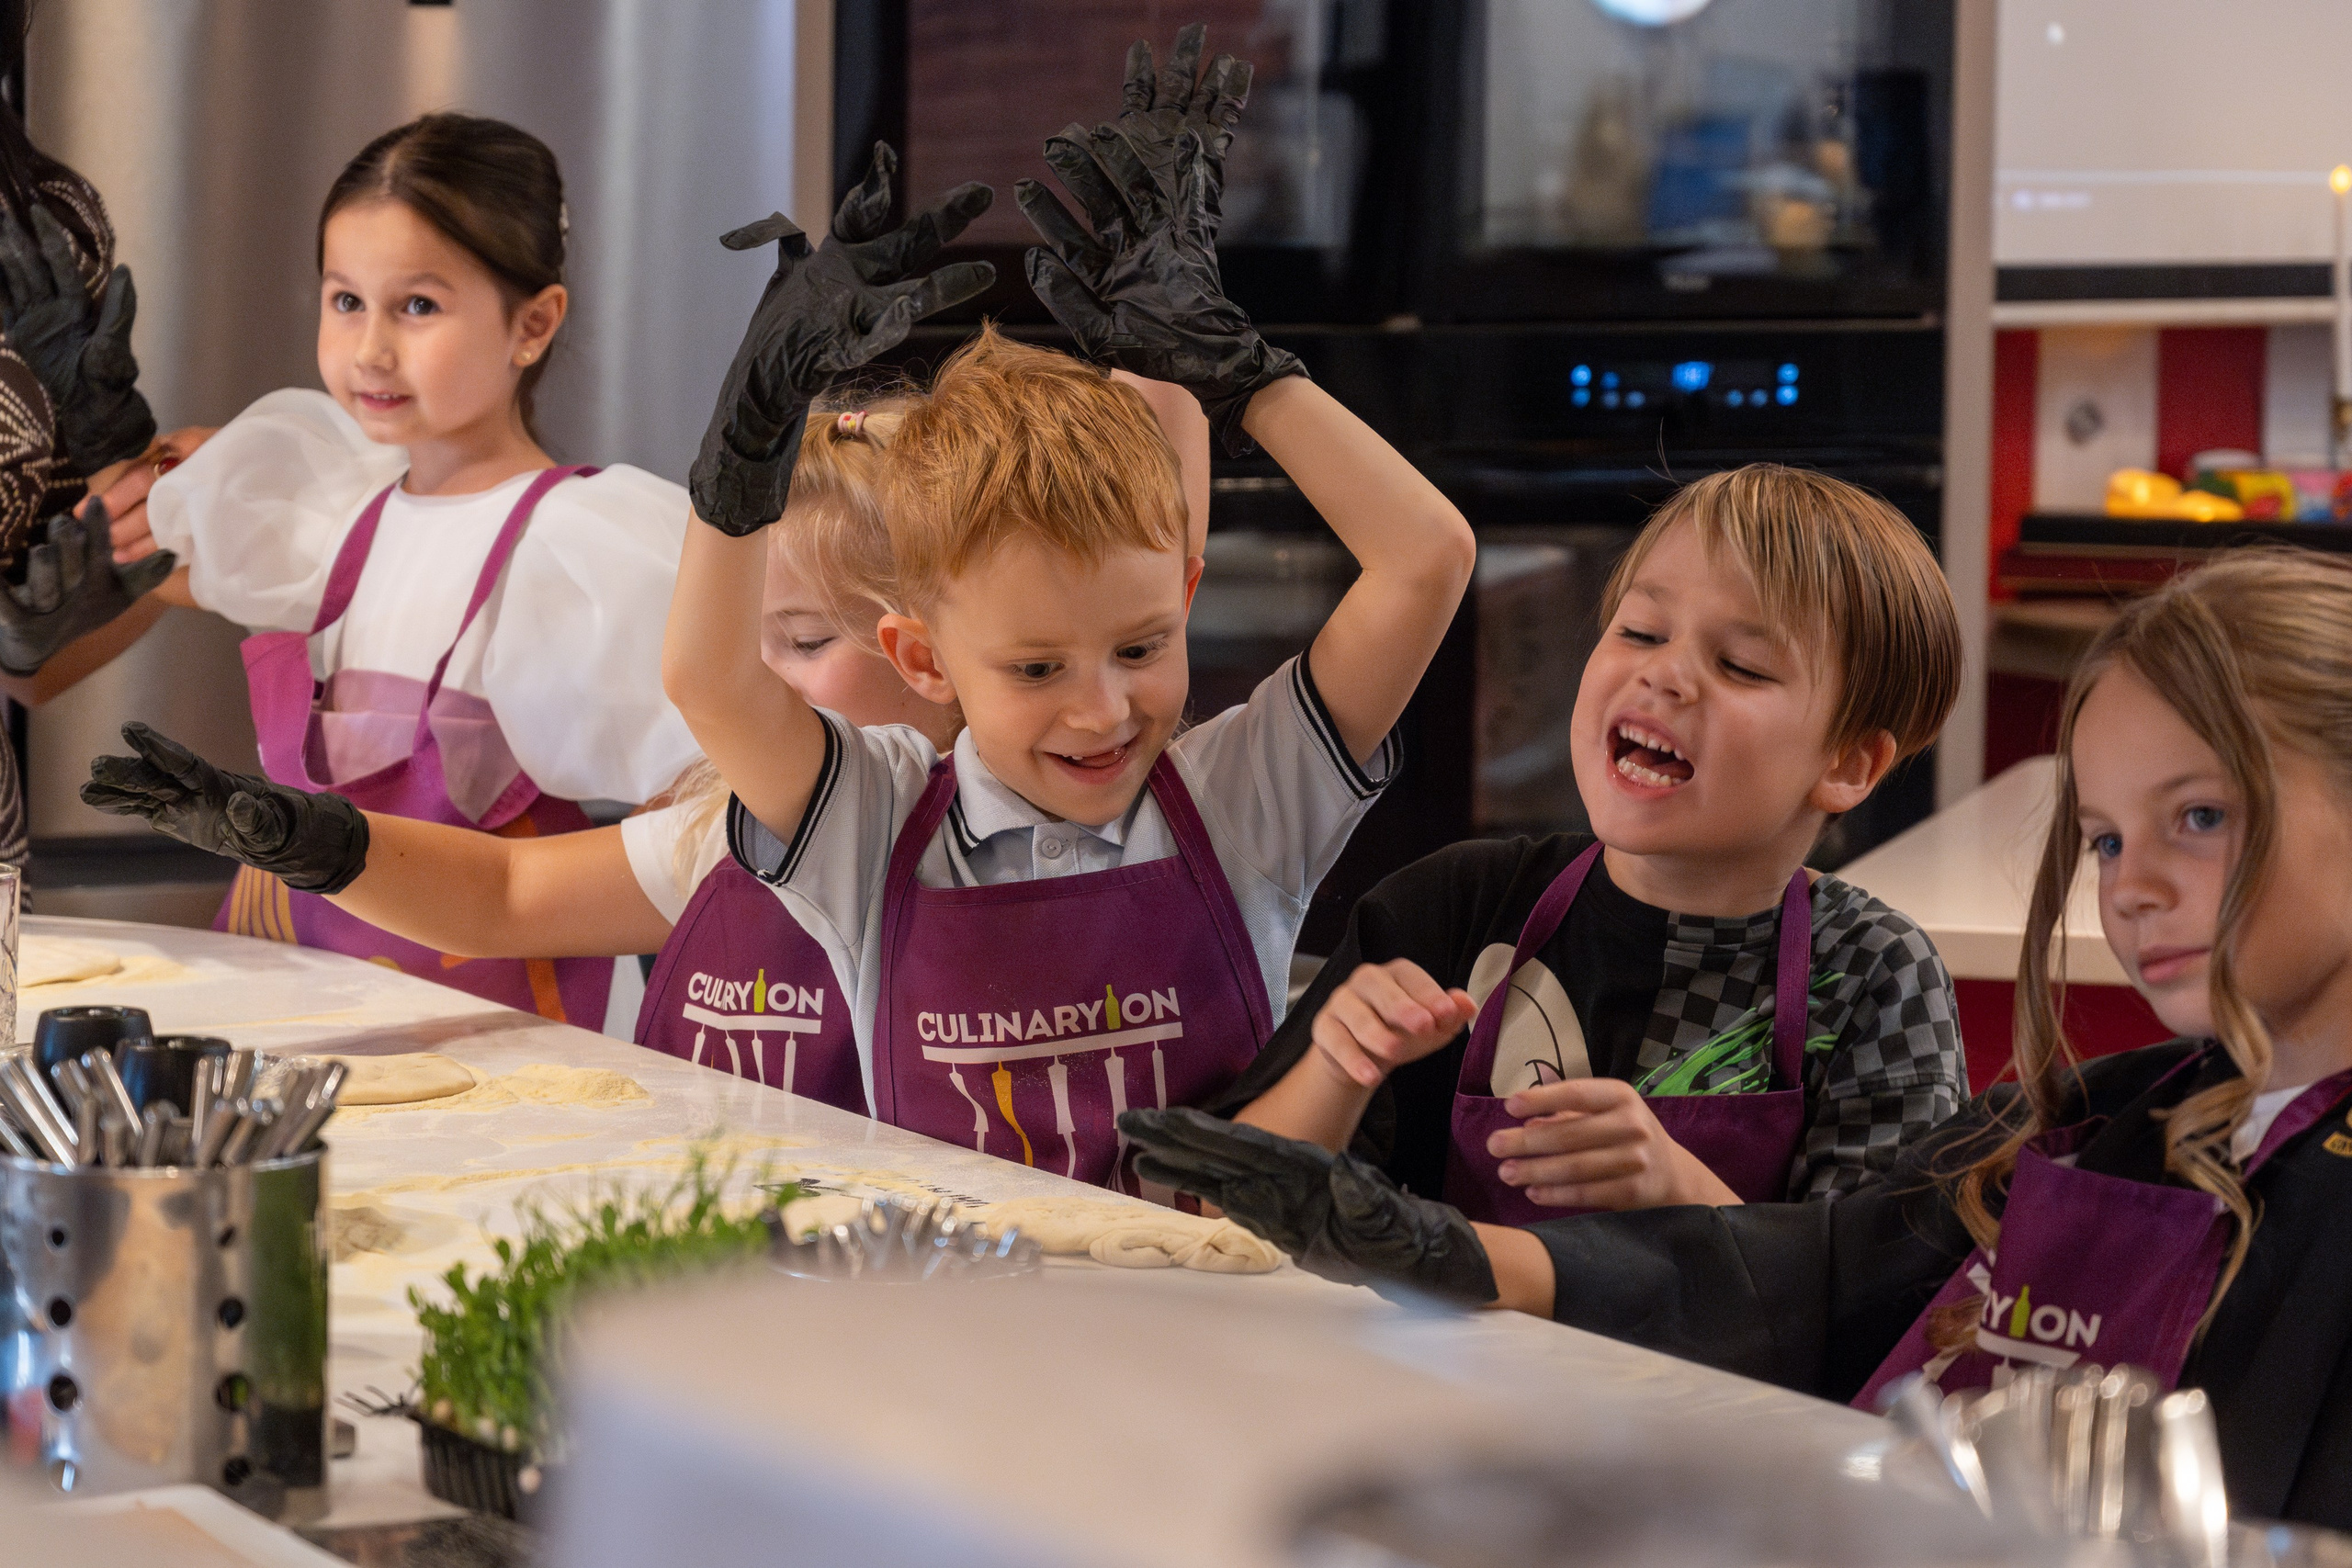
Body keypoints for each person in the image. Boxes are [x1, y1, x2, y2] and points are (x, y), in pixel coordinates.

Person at [1125, 547, 2352, 1531]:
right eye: (2106, 838)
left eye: (2197, 815)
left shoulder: (1877, 976)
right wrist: (1440, 1250)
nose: (2132, 885)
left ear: (1853, 761)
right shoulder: (2106, 1116)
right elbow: (1829, 1268)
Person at [666, 29, 1476, 1190]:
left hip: (1212, 1337)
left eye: (1141, 646)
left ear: (1186, 592)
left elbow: (1427, 556)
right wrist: (743, 447)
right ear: (922, 657)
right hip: (957, 1345)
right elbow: (709, 680)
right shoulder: (873, 826)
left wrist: (1239, 373)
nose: (1104, 710)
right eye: (1035, 670)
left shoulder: (1241, 802)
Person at [85, 371, 1209, 1104]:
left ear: (935, 654)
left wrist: (1194, 399)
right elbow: (504, 897)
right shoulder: (721, 834)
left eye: (807, 639)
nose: (752, 681)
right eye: (756, 639)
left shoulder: (1055, 835)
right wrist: (313, 845)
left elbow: (1137, 584)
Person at [53, 113, 705, 1027]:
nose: (370, 352)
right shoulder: (320, 515)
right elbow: (71, 614)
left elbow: (732, 823)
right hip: (306, 1029)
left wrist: (514, 898)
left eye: (419, 306)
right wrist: (86, 458)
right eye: (346, 300)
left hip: (514, 1053)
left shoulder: (581, 547)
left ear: (533, 324)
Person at [1216, 466, 1966, 1216]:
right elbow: (1225, 1210)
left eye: (1741, 665)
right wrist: (1338, 1072)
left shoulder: (1875, 976)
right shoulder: (1458, 907)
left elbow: (1882, 1308)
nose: (1664, 672)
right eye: (1640, 631)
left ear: (1846, 764)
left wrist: (1682, 1194)